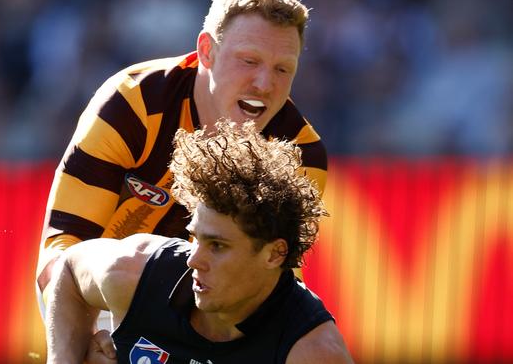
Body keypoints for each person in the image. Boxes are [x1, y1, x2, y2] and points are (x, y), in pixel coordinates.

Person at [36, 0, 328, 317]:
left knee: (314, 331)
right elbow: (60, 255)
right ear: (207, 51)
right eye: (248, 60)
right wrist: (82, 342)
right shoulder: (134, 105)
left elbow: (271, 288)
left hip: (211, 314)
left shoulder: (299, 154)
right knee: (128, 266)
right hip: (101, 301)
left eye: (282, 69)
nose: (264, 84)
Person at [45, 121, 352, 363]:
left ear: (275, 254)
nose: (193, 259)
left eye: (217, 245)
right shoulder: (134, 275)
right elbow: (70, 268)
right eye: (196, 238)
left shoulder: (312, 353)